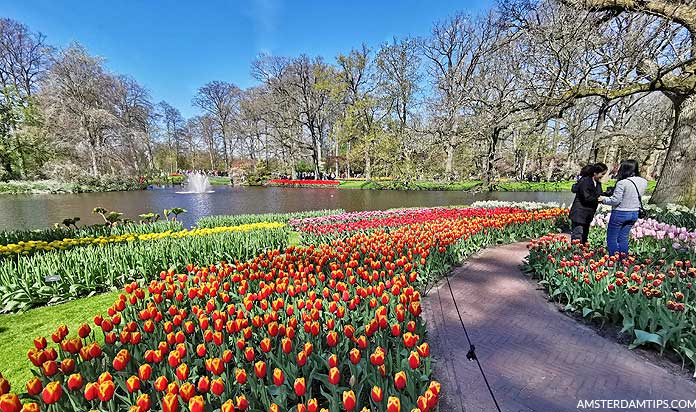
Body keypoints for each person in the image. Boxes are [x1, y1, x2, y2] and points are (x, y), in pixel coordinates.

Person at [600, 159, 648, 256]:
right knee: (623, 237)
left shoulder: (622, 183)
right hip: (634, 213)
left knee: (612, 238)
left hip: (620, 213)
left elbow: (615, 200)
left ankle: (613, 260)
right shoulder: (643, 181)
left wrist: (603, 199)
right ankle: (623, 260)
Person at [568, 163, 608, 244]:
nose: (603, 176)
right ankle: (574, 254)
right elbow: (586, 197)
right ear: (595, 173)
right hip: (579, 213)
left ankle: (582, 254)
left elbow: (599, 194)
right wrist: (598, 199)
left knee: (585, 236)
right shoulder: (585, 182)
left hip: (588, 214)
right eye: (602, 174)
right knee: (578, 235)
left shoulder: (598, 183)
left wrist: (607, 194)